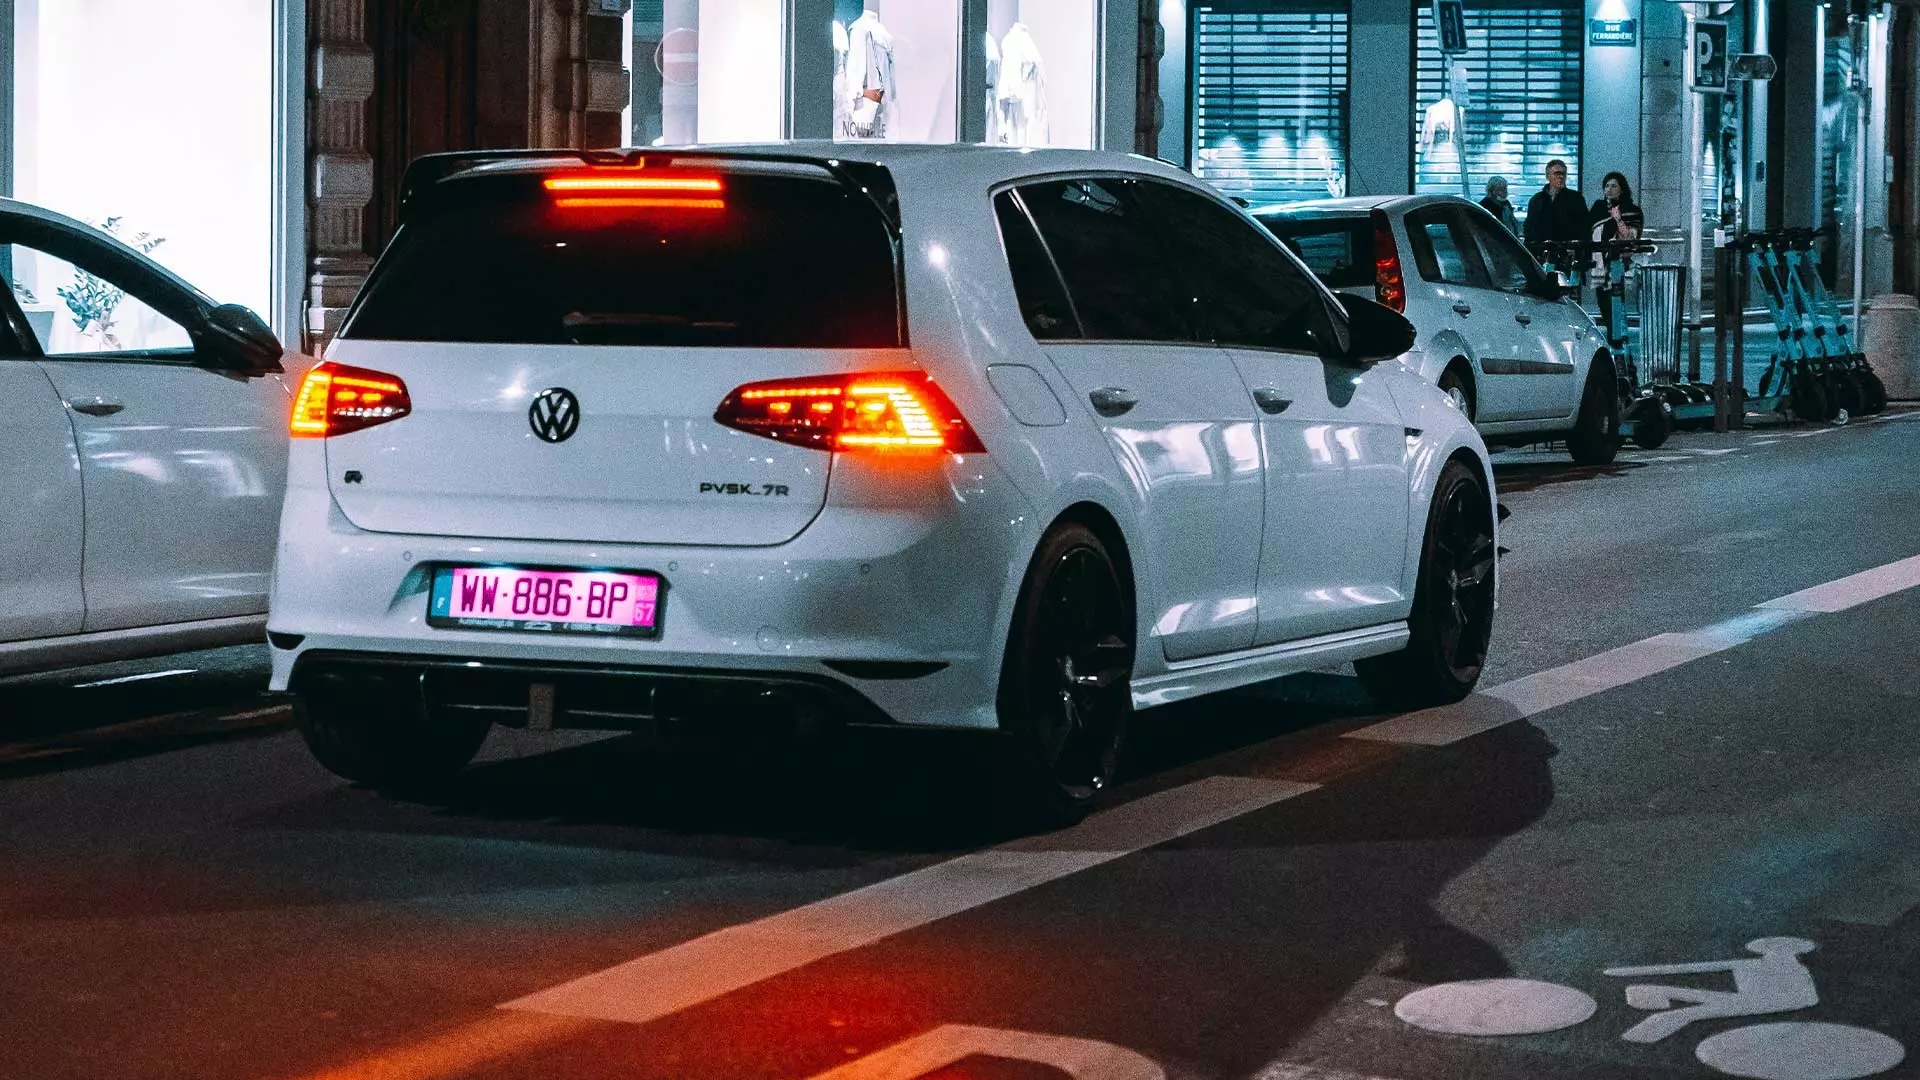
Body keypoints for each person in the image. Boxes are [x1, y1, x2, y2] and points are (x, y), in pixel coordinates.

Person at [1589, 171, 1644, 343]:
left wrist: (1618, 219)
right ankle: (1613, 340)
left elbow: (1630, 238)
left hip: (1619, 265)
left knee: (1617, 303)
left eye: (1614, 186)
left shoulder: (1632, 211)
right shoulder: (1598, 208)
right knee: (1604, 304)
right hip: (1599, 265)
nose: (1609, 189)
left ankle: (1621, 343)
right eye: (1606, 186)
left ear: (1622, 189)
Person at [1522, 159, 1589, 246]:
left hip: (1567, 248)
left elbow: (1584, 227)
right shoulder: (1537, 200)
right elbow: (1530, 227)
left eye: (1563, 174)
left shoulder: (1576, 199)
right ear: (1548, 176)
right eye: (1557, 173)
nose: (1561, 177)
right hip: (1541, 248)